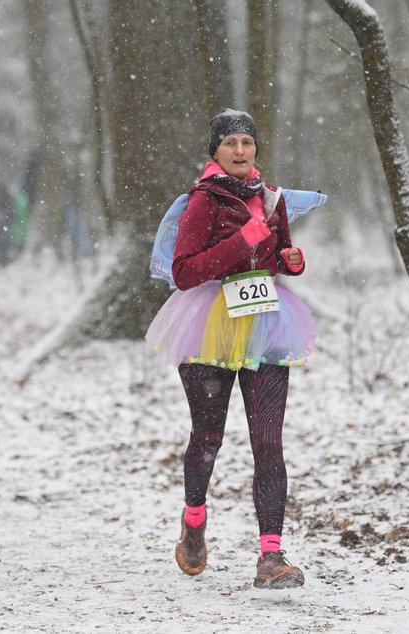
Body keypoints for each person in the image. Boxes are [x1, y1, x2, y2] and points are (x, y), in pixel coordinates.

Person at [146, 109, 315, 589]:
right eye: (230, 143)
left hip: (265, 323)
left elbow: (279, 252)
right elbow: (183, 273)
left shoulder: (272, 197)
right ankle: (194, 523)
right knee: (208, 436)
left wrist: (290, 260)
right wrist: (242, 242)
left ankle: (271, 556)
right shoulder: (203, 201)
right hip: (209, 326)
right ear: (215, 151)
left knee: (269, 442)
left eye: (247, 141)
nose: (240, 151)